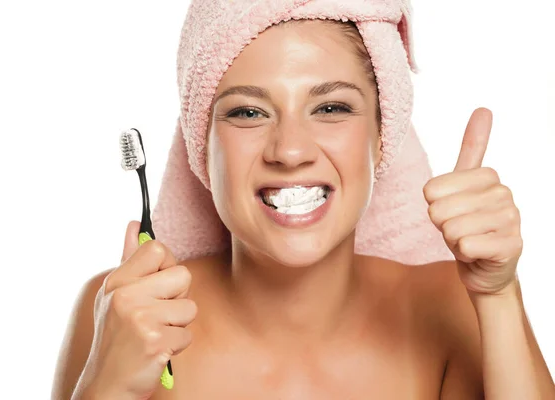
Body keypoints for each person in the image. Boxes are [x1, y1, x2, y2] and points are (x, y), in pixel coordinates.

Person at [52, 1, 555, 399]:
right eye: (248, 113)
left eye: (331, 107)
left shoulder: (452, 305)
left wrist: (497, 295)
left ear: (383, 136)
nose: (290, 151)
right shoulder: (123, 315)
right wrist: (105, 388)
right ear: (199, 148)